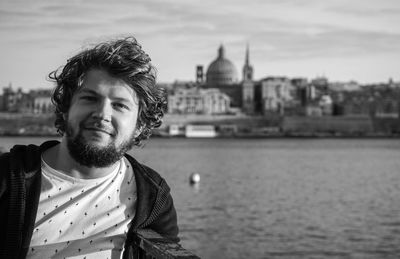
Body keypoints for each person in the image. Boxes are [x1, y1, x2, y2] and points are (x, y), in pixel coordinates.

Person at [0, 36, 179, 259]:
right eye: (89, 98)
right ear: (66, 108)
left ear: (140, 125)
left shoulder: (153, 198)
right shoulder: (7, 178)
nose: (103, 115)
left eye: (120, 105)